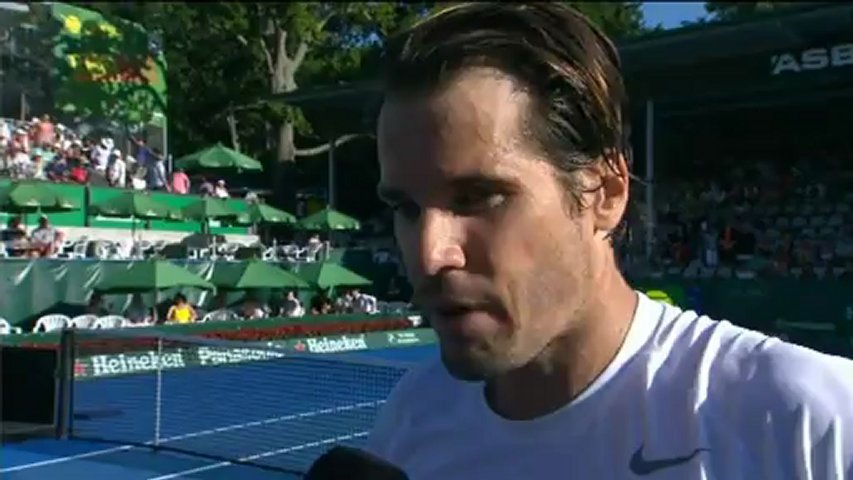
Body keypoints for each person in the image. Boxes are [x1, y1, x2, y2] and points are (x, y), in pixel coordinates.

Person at [366, 4, 853, 479]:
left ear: (606, 193)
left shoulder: (808, 422)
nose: (430, 254)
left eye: (479, 197)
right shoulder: (411, 419)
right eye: (406, 208)